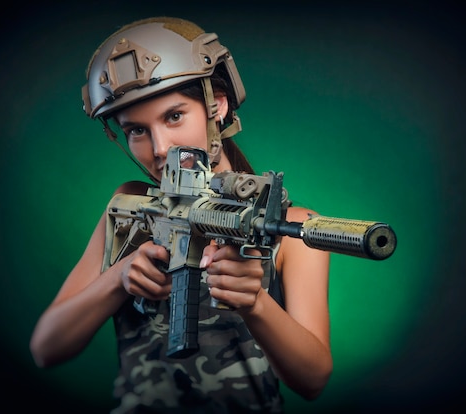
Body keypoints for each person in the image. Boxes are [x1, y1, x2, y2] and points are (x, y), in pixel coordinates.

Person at [30, 16, 332, 413]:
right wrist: (118, 279)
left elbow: (312, 381)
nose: (158, 147)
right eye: (136, 130)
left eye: (174, 116)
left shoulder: (293, 227)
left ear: (217, 106)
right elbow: (47, 348)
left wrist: (256, 303)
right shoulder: (131, 207)